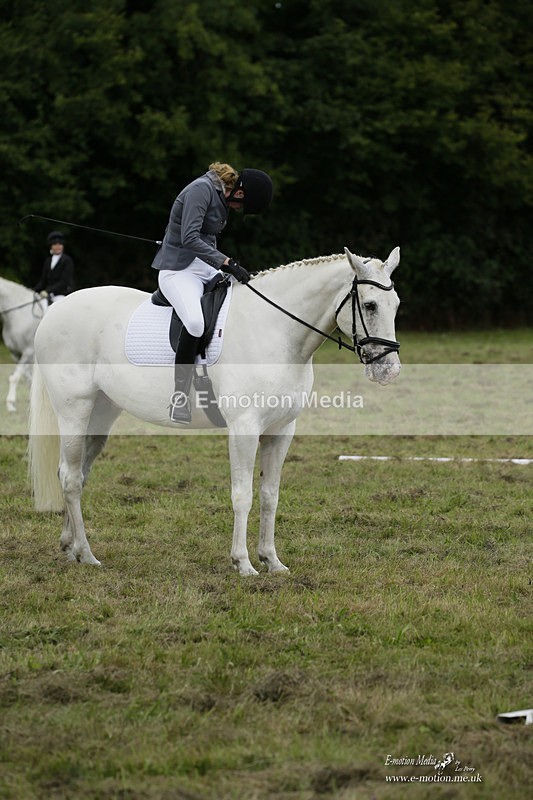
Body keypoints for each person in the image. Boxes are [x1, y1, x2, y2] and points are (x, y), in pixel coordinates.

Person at [151, 161, 273, 423]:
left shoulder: (221, 196)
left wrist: (225, 268)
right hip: (178, 270)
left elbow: (209, 239)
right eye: (242, 205)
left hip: (203, 268)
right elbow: (189, 238)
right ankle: (180, 396)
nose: (238, 209)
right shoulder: (201, 189)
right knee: (195, 323)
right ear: (239, 192)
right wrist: (225, 262)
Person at [34, 231, 75, 302]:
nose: (58, 247)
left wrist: (47, 291)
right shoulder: (48, 261)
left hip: (62, 293)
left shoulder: (67, 260)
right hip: (48, 294)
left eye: (60, 244)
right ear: (51, 246)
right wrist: (34, 290)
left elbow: (64, 281)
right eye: (55, 244)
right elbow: (43, 281)